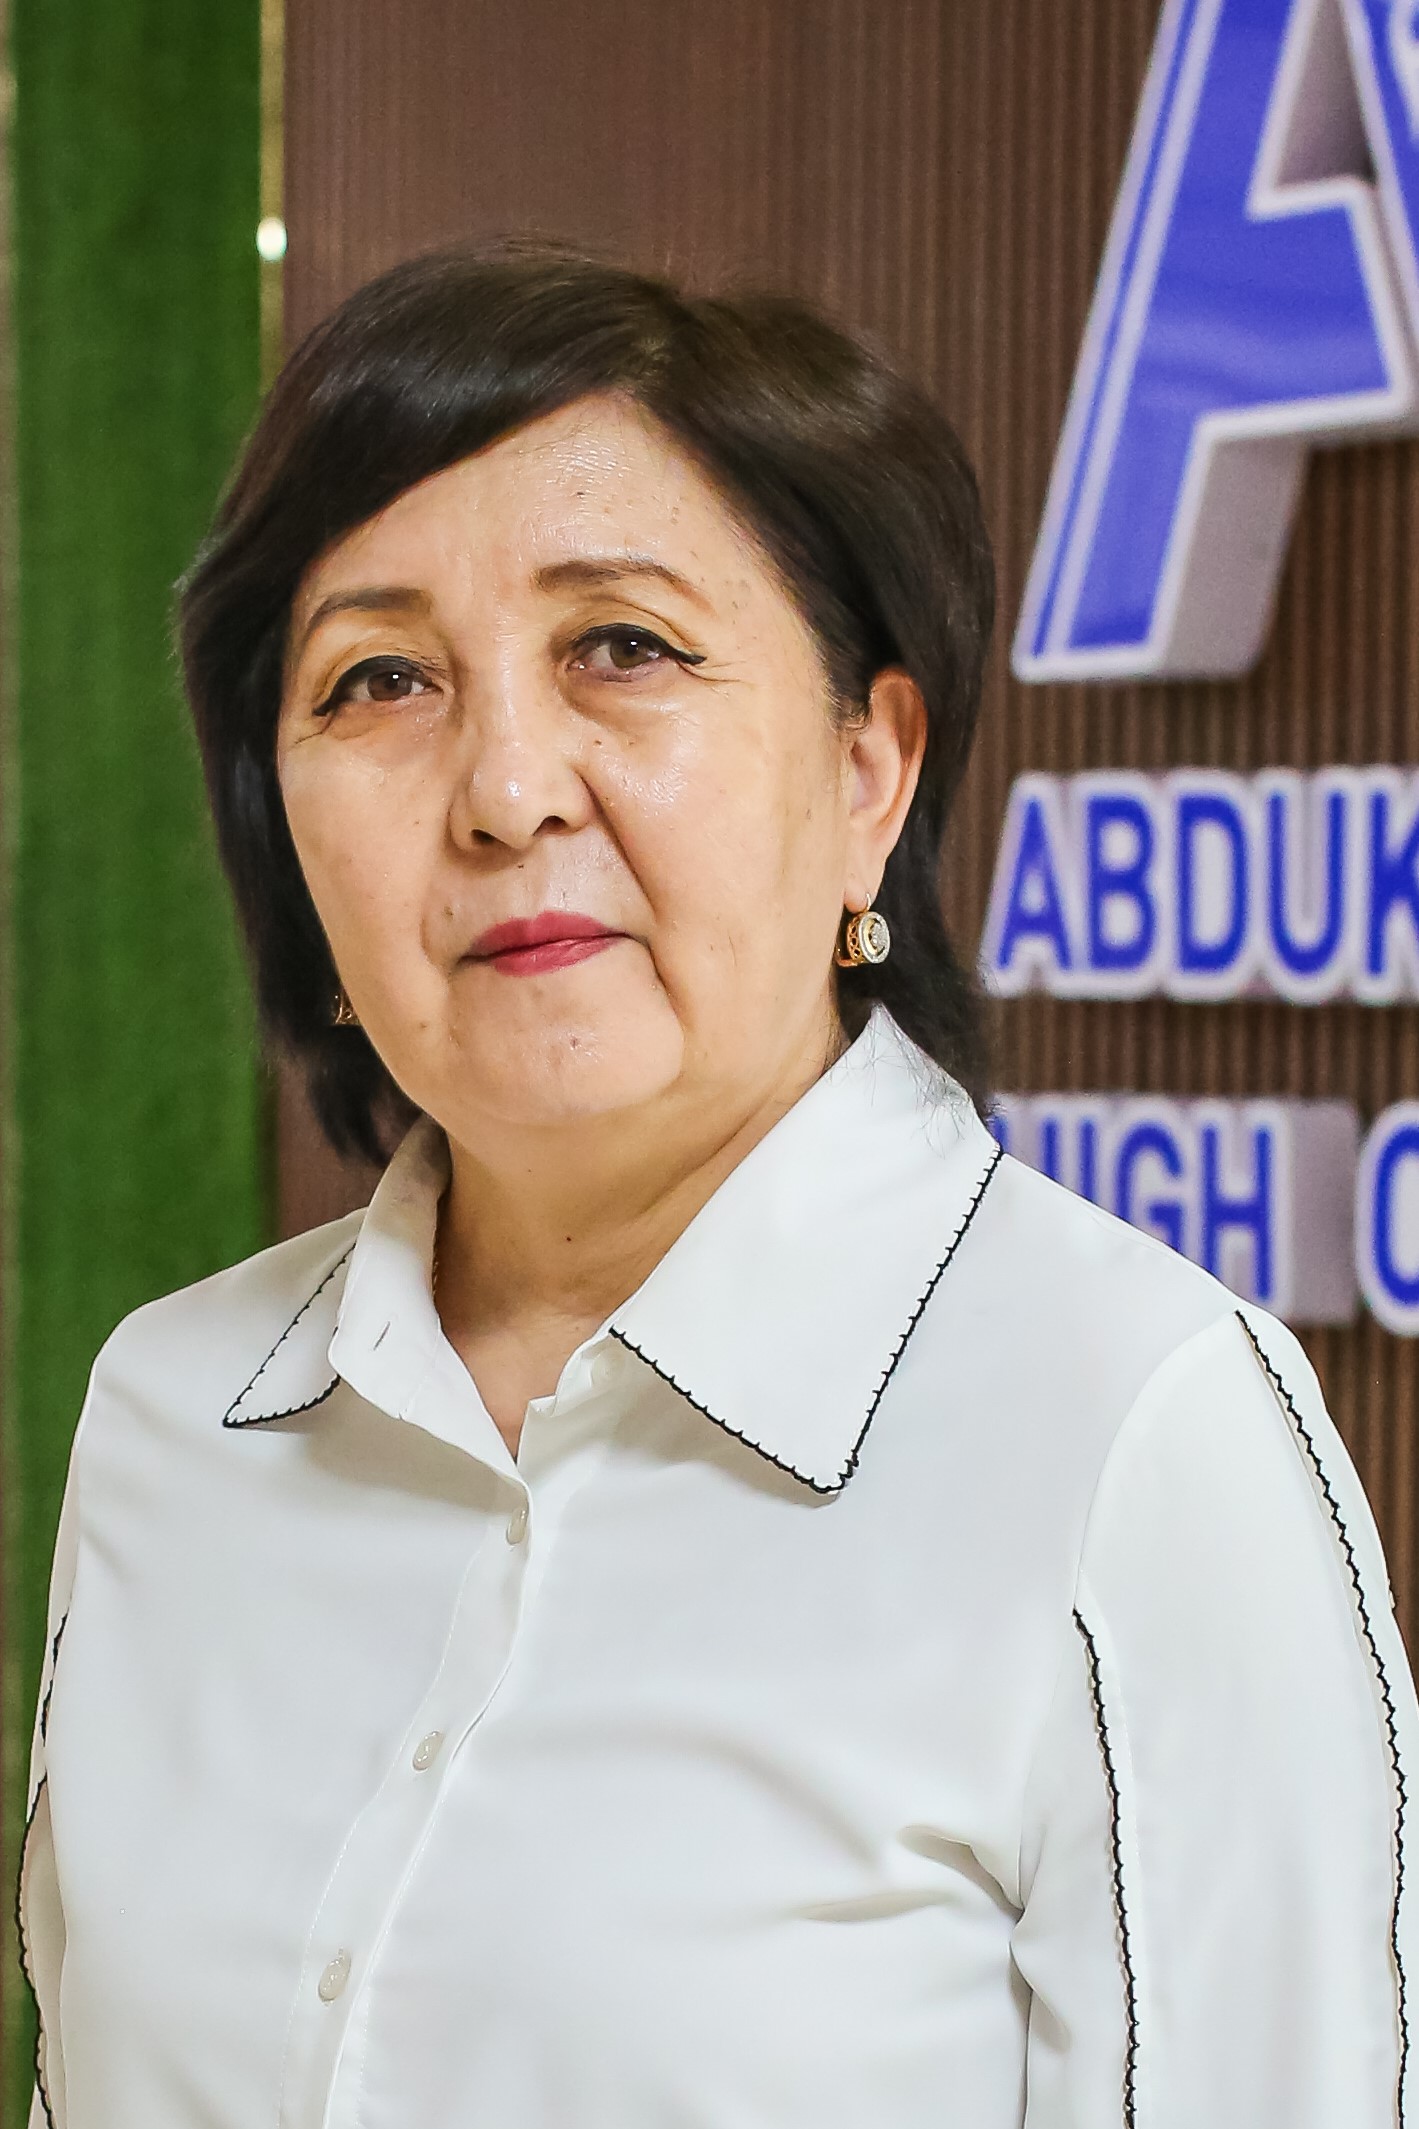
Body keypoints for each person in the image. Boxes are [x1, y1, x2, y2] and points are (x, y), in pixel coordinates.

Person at [17, 243, 1417, 2129]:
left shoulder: (1132, 1434)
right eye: (381, 679)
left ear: (869, 768)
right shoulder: (174, 1408)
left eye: (624, 647)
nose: (506, 789)